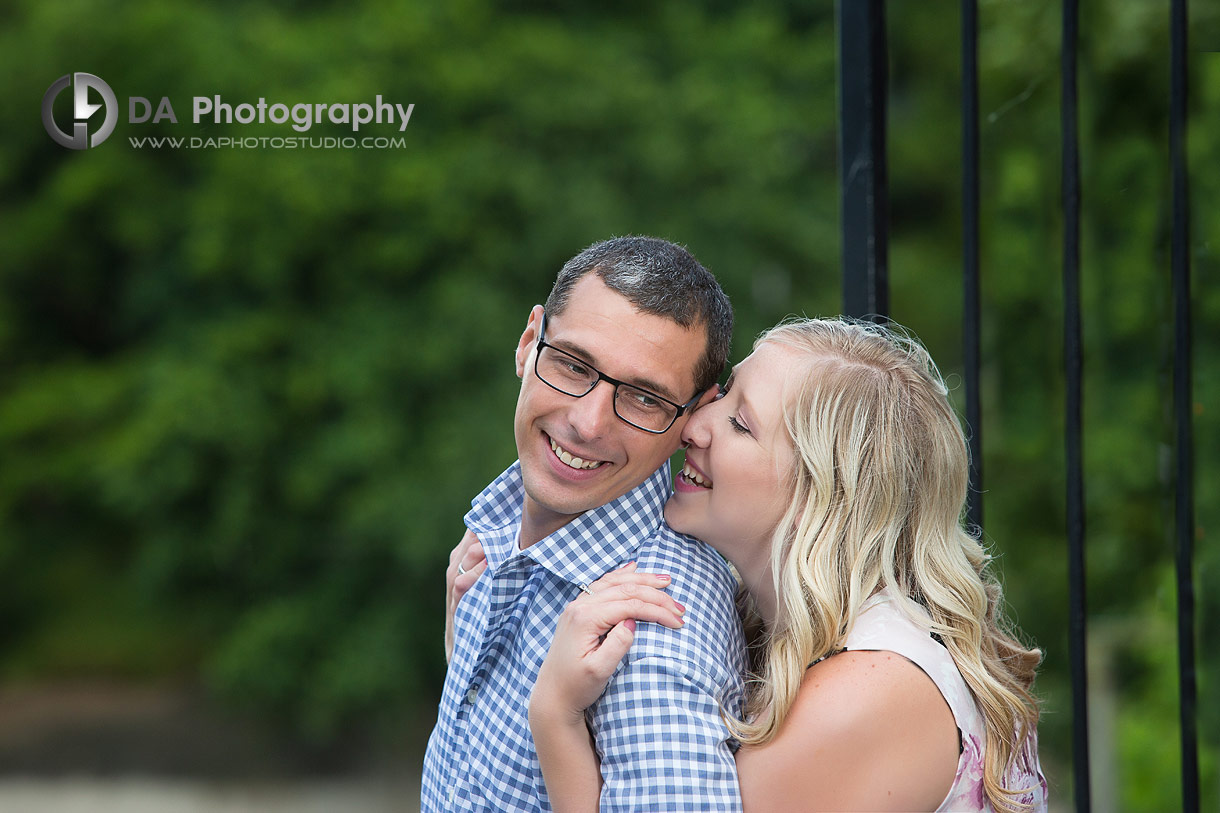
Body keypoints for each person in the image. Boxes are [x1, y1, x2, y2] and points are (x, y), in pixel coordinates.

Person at [527, 317, 1048, 812]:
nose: (693, 425)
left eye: (740, 423)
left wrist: (555, 716)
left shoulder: (861, 698)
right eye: (724, 391)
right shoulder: (854, 645)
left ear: (818, 498)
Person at [421, 236, 749, 812]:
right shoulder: (495, 539)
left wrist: (555, 715)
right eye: (573, 365)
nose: (588, 423)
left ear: (695, 414)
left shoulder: (650, 644)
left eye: (645, 398)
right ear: (529, 344)